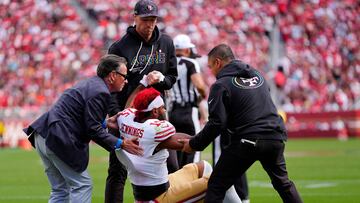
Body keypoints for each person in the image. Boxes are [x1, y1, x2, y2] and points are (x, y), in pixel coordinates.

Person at [181, 44, 303, 203]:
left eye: (211, 67)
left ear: (218, 62)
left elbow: (217, 123)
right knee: (283, 184)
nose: (211, 72)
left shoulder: (220, 85)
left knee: (216, 185)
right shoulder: (258, 76)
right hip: (275, 137)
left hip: (248, 140)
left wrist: (194, 144)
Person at [22, 55, 143, 203]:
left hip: (43, 132)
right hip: (58, 136)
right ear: (112, 76)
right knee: (82, 185)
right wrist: (121, 143)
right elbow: (93, 130)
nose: (126, 80)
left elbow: (80, 117)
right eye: (124, 76)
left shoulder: (92, 84)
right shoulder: (101, 92)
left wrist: (104, 123)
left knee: (60, 190)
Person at [105, 0, 178, 202]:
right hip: (127, 114)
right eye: (145, 20)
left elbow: (172, 77)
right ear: (134, 17)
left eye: (153, 20)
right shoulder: (120, 47)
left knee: (171, 165)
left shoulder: (166, 42)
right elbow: (110, 87)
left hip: (156, 115)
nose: (150, 24)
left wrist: (162, 80)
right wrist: (116, 115)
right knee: (118, 170)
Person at [115, 87, 212, 202]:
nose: (165, 110)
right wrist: (218, 125)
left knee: (203, 166)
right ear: (155, 111)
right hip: (158, 197)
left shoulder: (126, 120)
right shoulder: (153, 131)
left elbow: (125, 112)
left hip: (150, 190)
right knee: (219, 182)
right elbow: (192, 143)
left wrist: (142, 84)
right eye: (162, 108)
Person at [169, 34, 207, 167]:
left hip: (173, 112)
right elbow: (199, 85)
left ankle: (178, 184)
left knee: (176, 149)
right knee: (194, 147)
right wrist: (202, 95)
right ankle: (192, 184)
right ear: (187, 50)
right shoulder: (190, 63)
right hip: (188, 111)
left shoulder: (169, 63)